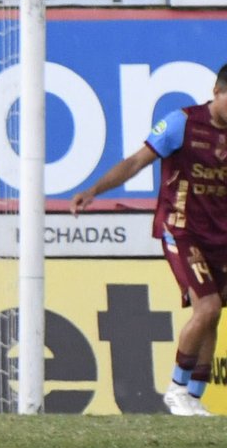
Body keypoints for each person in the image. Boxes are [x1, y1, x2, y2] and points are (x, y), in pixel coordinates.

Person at [71, 66, 227, 417]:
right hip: (182, 229)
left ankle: (193, 397)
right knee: (208, 307)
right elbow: (135, 162)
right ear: (217, 91)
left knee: (212, 316)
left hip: (220, 235)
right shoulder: (181, 123)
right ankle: (176, 389)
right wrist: (94, 190)